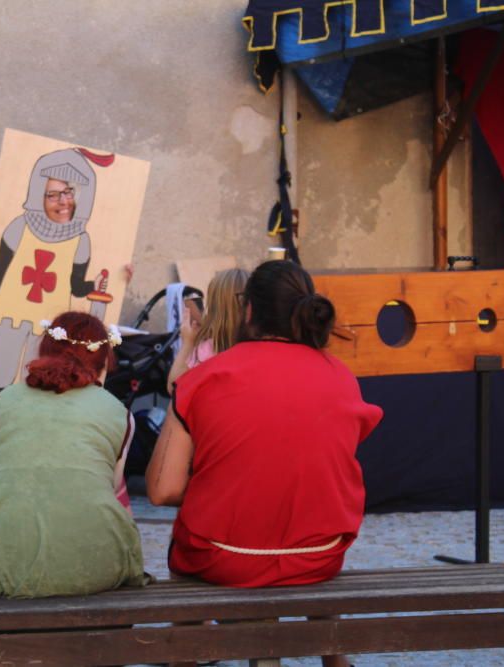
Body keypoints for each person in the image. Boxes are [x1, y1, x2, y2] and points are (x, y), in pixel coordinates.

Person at [146, 260, 382, 667]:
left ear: (249, 311)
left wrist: (220, 480)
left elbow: (162, 490)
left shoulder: (202, 378)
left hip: (222, 556)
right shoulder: (342, 377)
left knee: (187, 547)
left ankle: (184, 658)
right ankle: (331, 656)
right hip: (317, 555)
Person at [0, 311, 147, 598]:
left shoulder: (2, 400)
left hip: (0, 563)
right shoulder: (120, 413)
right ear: (103, 361)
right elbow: (110, 487)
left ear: (46, 348)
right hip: (96, 565)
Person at [0, 147, 122, 430]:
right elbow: (0, 270)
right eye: (52, 194)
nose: (62, 200)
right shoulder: (19, 227)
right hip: (11, 308)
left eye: (68, 192)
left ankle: (23, 423)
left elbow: (77, 285)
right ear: (37, 196)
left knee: (34, 367)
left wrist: (113, 279)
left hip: (48, 320)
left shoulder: (80, 240)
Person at [166, 267, 250, 391]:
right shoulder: (262, 347)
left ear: (214, 308)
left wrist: (188, 343)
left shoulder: (208, 350)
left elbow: (174, 389)